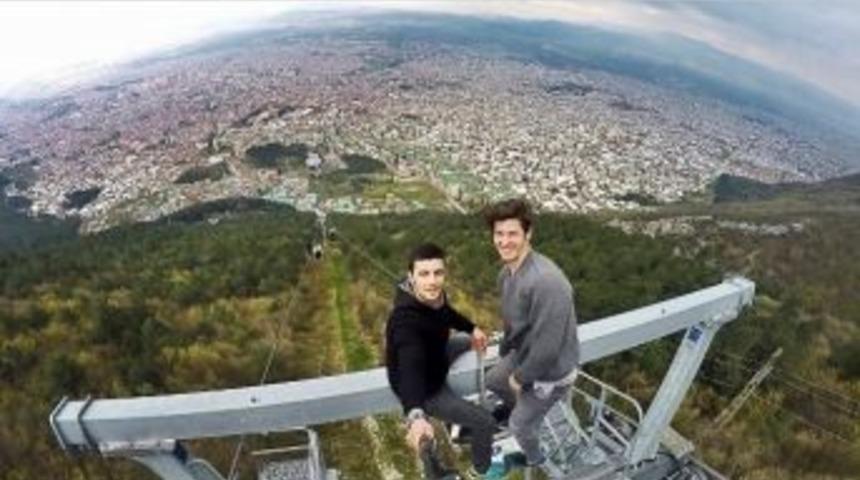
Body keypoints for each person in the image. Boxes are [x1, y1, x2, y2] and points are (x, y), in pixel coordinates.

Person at [482, 198, 580, 475]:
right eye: (498, 234)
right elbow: (515, 322)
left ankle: (534, 457)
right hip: (525, 354)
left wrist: (518, 378)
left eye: (512, 233)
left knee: (520, 427)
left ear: (529, 233)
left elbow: (548, 349)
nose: (504, 241)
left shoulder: (547, 282)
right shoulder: (507, 274)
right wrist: (505, 351)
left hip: (552, 372)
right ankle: (521, 408)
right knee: (493, 380)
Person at [385, 242, 498, 478]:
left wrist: (472, 328)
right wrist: (415, 415)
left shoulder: (435, 296)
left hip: (438, 353)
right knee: (484, 422)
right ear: (411, 277)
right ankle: (482, 468)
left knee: (476, 341)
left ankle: (477, 338)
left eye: (438, 273)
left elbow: (447, 314)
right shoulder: (406, 321)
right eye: (424, 274)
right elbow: (410, 365)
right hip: (428, 390)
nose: (432, 281)